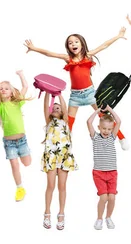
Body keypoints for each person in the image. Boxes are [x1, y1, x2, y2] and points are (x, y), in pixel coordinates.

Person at [23, 28, 130, 150]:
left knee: (104, 116)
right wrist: (34, 48)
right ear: (68, 47)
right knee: (68, 122)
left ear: (82, 44)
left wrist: (118, 36)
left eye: (76, 41)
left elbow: (104, 45)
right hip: (75, 96)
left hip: (90, 94)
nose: (73, 44)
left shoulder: (88, 56)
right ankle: (65, 144)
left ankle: (122, 139)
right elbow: (50, 53)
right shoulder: (68, 58)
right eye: (70, 43)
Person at [0, 68, 33, 202]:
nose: (3, 90)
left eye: (6, 88)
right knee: (14, 165)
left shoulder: (17, 103)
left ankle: (26, 154)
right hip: (9, 143)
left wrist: (21, 74)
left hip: (22, 141)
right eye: (1, 89)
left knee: (27, 163)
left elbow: (25, 86)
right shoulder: (0, 106)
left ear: (12, 93)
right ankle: (20, 188)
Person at [41, 92, 76, 230]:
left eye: (58, 108)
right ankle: (47, 213)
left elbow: (65, 109)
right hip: (51, 157)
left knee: (62, 186)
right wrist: (47, 93)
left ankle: (61, 213)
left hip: (64, 157)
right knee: (50, 186)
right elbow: (45, 106)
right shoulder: (49, 122)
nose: (56, 109)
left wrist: (59, 94)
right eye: (53, 108)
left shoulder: (65, 121)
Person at [86, 106, 122, 230]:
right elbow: (88, 122)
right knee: (103, 197)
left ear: (112, 129)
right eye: (104, 128)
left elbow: (119, 121)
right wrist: (98, 111)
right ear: (99, 128)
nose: (106, 131)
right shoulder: (95, 137)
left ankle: (108, 217)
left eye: (109, 129)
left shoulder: (112, 137)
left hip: (112, 172)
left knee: (112, 197)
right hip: (99, 173)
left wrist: (109, 109)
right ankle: (99, 218)